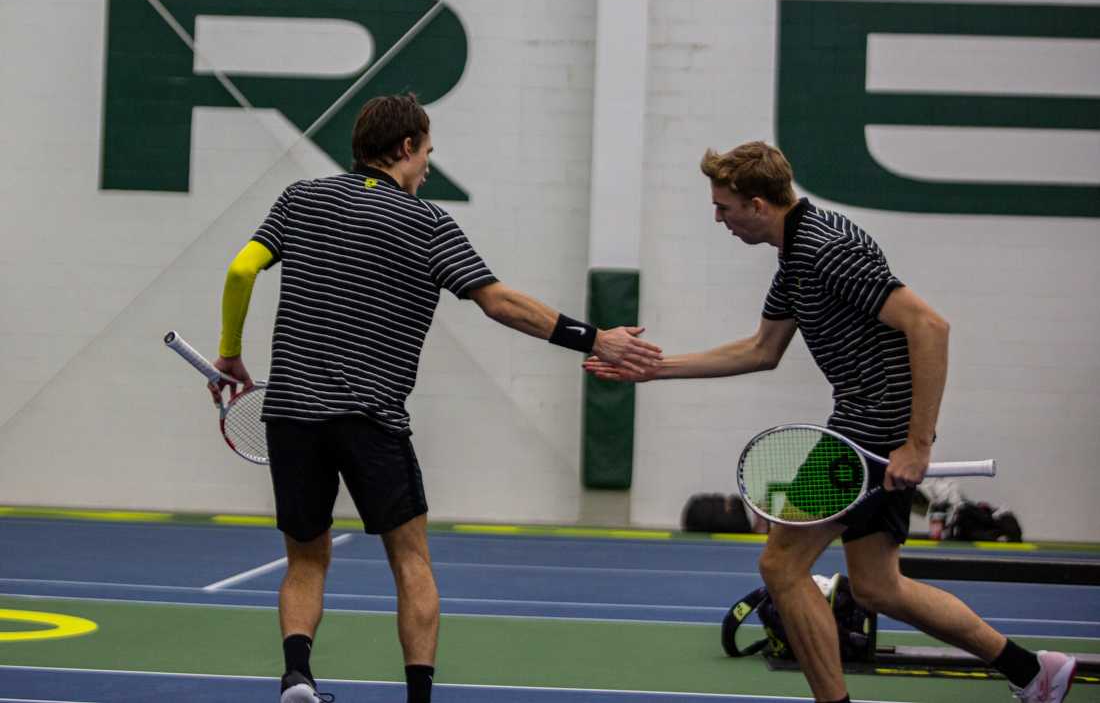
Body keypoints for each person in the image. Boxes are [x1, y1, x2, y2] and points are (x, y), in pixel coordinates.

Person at [210, 93, 663, 703]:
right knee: (411, 560)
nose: (427, 165)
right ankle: (418, 699)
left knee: (306, 559)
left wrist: (230, 352)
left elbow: (241, 270)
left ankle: (297, 676)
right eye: (427, 153)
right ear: (404, 149)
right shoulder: (427, 224)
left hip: (291, 413)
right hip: (371, 417)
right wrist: (595, 338)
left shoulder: (300, 199)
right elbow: (499, 302)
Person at [584, 141, 1076, 703]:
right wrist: (653, 369)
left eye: (724, 207)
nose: (717, 217)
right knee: (876, 587)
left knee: (781, 565)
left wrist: (916, 444)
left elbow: (929, 327)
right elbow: (761, 349)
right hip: (866, 429)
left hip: (868, 434)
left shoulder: (825, 248)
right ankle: (1032, 671)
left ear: (761, 204)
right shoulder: (794, 256)